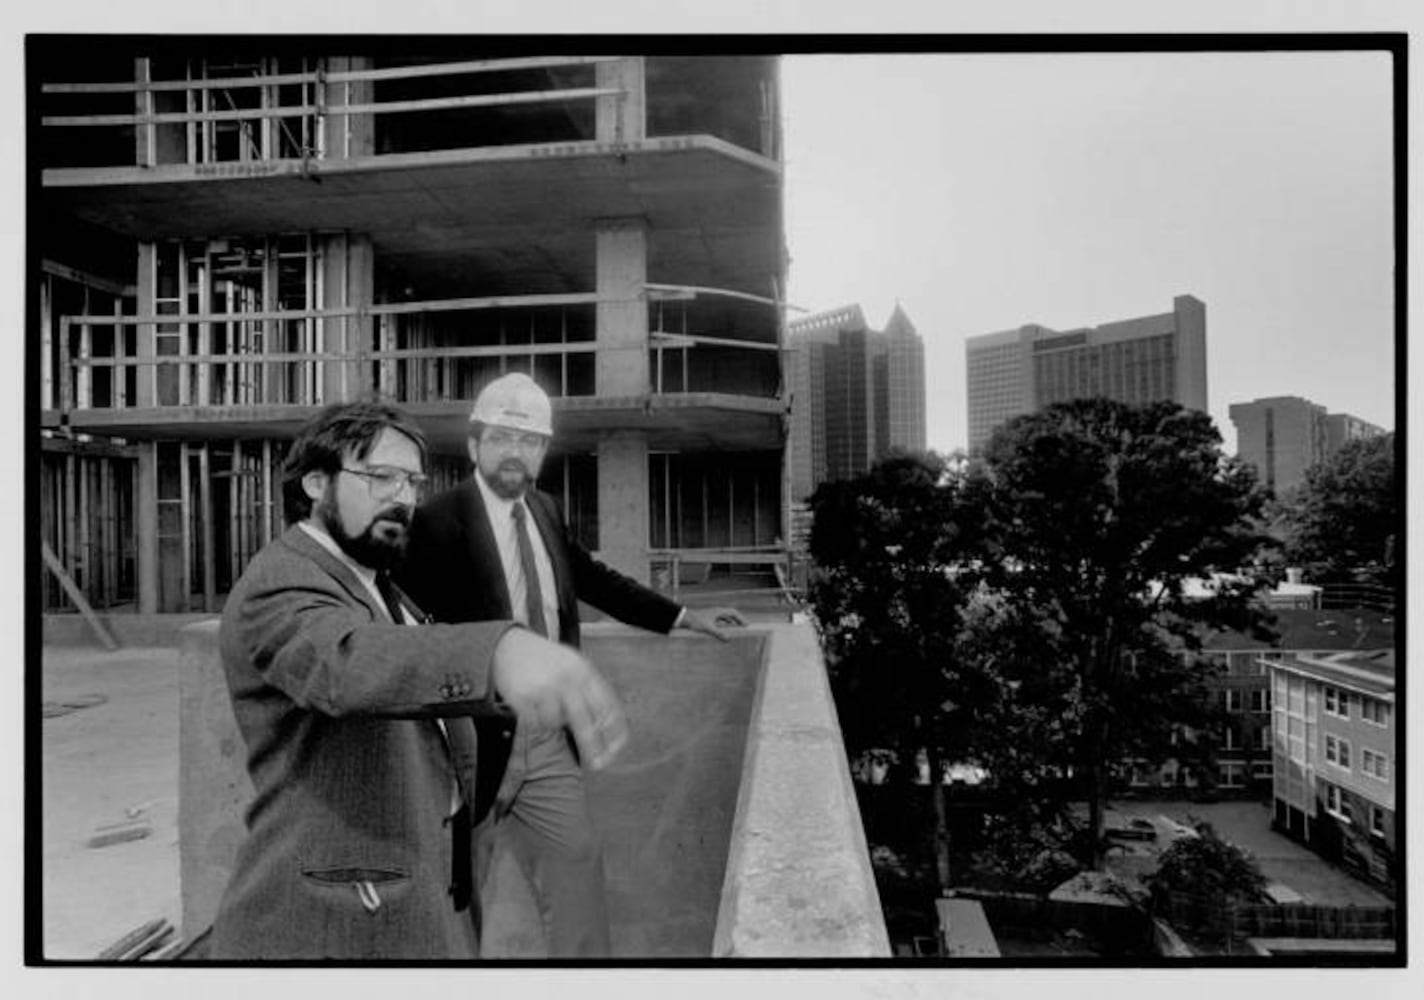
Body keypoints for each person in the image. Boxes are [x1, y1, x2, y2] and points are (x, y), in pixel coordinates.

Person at [209, 400, 628, 960]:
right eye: (381, 476)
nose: (403, 497)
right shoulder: (282, 580)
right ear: (316, 482)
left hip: (420, 878)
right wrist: (499, 649)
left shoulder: (373, 577)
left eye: (411, 481)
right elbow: (346, 662)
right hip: (340, 917)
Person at [398, 372, 746, 957]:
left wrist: (684, 615)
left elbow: (595, 580)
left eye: (530, 440)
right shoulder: (435, 522)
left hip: (546, 738)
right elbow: (403, 632)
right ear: (475, 444)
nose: (516, 452)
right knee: (458, 895)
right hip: (466, 742)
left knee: (577, 872)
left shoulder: (544, 510)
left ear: (543, 451)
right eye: (503, 437)